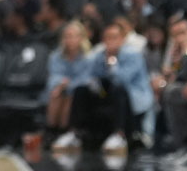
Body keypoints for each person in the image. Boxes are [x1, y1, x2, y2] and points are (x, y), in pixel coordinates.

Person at [55, 20, 155, 154]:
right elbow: (88, 76)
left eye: (114, 37)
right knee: (81, 90)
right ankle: (74, 133)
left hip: (132, 98)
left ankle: (119, 135)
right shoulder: (99, 56)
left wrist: (112, 64)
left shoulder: (133, 55)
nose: (111, 41)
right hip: (107, 96)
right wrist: (93, 83)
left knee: (118, 88)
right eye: (108, 38)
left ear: (122, 39)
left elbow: (122, 80)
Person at [46, 21, 93, 149]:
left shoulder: (88, 57)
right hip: (60, 90)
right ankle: (51, 131)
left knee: (70, 96)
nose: (70, 40)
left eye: (74, 36)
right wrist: (61, 84)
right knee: (56, 94)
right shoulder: (56, 56)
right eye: (67, 36)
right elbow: (53, 77)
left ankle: (64, 132)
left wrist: (66, 84)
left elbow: (86, 80)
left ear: (81, 38)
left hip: (82, 94)